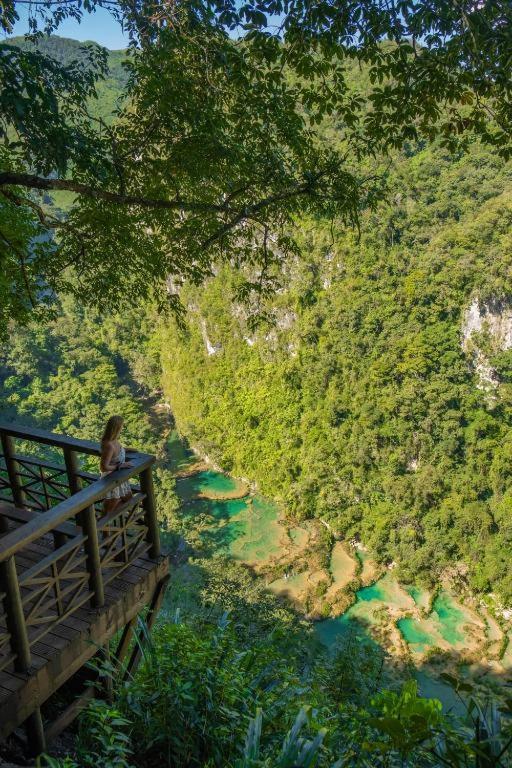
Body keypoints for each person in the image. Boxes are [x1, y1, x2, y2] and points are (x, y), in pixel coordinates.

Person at [100, 415, 133, 513]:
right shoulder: (109, 445)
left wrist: (128, 449)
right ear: (117, 428)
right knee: (108, 511)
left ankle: (107, 524)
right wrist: (119, 466)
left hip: (119, 478)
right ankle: (100, 526)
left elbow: (116, 454)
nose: (123, 428)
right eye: (122, 426)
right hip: (112, 479)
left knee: (129, 500)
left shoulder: (114, 440)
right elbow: (103, 467)